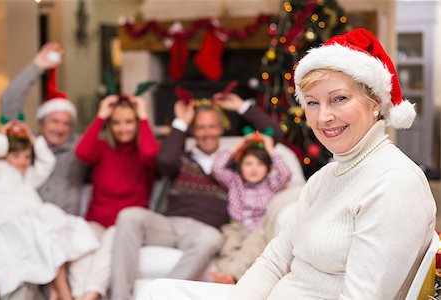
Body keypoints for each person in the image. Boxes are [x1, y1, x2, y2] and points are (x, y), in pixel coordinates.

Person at [137, 28, 436, 300]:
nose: (323, 117)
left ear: (375, 104)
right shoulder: (326, 176)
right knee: (158, 291)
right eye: (312, 103)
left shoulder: (395, 183)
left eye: (339, 99)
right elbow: (275, 259)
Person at [111, 92, 284, 300]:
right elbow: (164, 160)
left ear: (221, 129)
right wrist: (181, 122)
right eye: (200, 127)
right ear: (193, 131)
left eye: (212, 126)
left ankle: (160, 297)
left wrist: (241, 106)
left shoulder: (236, 164)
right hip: (168, 224)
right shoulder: (182, 157)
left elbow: (274, 133)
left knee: (210, 238)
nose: (207, 133)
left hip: (204, 231)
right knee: (129, 216)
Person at [0, 122, 98, 300]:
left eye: (26, 157)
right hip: (10, 226)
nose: (22, 162)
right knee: (45, 236)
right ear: (4, 156)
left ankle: (56, 292)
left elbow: (48, 162)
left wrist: (33, 139)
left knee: (63, 233)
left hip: (33, 224)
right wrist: (3, 136)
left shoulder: (28, 176)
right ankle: (64, 294)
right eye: (16, 156)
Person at [69, 95, 159, 300]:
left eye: (129, 122)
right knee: (81, 245)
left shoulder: (144, 151)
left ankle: (89, 296)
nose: (122, 128)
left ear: (137, 123)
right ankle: (78, 296)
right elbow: (82, 152)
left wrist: (143, 116)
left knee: (112, 238)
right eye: (116, 123)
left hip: (125, 227)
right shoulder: (102, 148)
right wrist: (101, 115)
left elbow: (150, 154)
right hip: (96, 222)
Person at [0, 42, 87, 216]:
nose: (60, 128)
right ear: (41, 123)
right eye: (54, 121)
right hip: (30, 222)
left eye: (66, 123)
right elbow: (9, 103)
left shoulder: (80, 149)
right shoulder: (28, 145)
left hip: (67, 226)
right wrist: (37, 66)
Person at [209, 131, 292, 284]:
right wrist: (239, 144)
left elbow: (286, 173)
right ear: (240, 167)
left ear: (268, 168)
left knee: (251, 247)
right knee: (227, 245)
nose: (254, 169)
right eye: (248, 164)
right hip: (236, 227)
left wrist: (269, 149)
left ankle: (233, 276)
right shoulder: (235, 181)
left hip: (257, 230)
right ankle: (226, 276)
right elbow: (216, 168)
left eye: (260, 164)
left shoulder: (270, 184)